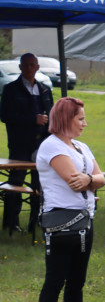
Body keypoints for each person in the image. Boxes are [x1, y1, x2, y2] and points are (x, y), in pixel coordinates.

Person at [35, 97, 105, 302]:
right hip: (61, 222)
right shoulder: (51, 147)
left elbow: (101, 178)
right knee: (55, 280)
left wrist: (90, 179)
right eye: (80, 119)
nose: (84, 124)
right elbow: (71, 180)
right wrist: (92, 180)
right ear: (66, 119)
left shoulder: (80, 146)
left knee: (77, 280)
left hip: (85, 220)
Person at [1, 52, 53, 232]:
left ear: (37, 67)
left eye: (32, 65)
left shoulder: (45, 89)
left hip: (41, 144)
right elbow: (6, 116)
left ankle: (36, 219)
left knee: (40, 183)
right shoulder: (11, 89)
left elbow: (51, 114)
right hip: (20, 144)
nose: (29, 68)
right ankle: (11, 222)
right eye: (26, 65)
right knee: (16, 182)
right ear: (20, 67)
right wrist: (33, 119)